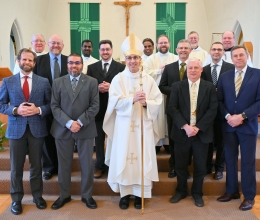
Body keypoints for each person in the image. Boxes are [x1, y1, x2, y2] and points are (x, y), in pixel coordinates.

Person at [103, 34, 162, 210]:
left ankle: (140, 194)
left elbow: (157, 102)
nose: (133, 61)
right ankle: (125, 194)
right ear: (125, 59)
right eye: (129, 58)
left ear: (140, 59)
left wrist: (146, 103)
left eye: (136, 57)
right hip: (123, 127)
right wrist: (131, 99)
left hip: (144, 125)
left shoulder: (148, 80)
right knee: (123, 158)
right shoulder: (118, 79)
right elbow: (113, 103)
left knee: (142, 159)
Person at [0, 48, 51, 215]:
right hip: (16, 130)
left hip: (37, 129)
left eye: (30, 60)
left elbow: (51, 105)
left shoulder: (43, 82)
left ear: (34, 63)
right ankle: (16, 200)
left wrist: (38, 110)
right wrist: (15, 110)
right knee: (16, 168)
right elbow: (1, 105)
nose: (27, 62)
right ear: (18, 61)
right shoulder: (8, 81)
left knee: (37, 166)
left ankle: (37, 196)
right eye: (24, 60)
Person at [50, 53, 99, 210]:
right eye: (71, 63)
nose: (74, 66)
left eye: (77, 63)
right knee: (64, 164)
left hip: (85, 128)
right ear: (67, 65)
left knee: (87, 165)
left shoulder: (91, 82)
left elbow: (94, 106)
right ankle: (64, 195)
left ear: (82, 65)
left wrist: (79, 122)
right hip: (62, 128)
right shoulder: (57, 82)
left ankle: (87, 195)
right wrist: (69, 123)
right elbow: (54, 106)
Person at [168, 58, 217, 207]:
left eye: (196, 67)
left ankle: (197, 193)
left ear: (201, 70)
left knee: (201, 166)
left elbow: (213, 109)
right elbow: (172, 108)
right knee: (181, 165)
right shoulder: (177, 86)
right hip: (182, 133)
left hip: (202, 134)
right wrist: (185, 126)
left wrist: (198, 127)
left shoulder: (209, 87)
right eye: (190, 68)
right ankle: (181, 191)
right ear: (186, 70)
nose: (193, 70)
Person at [217, 46, 260, 211]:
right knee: (230, 159)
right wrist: (228, 117)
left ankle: (249, 196)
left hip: (247, 125)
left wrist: (241, 116)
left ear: (247, 56)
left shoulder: (257, 74)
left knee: (248, 162)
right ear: (231, 58)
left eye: (241, 55)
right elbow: (219, 101)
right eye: (235, 56)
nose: (238, 58)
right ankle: (231, 191)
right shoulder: (225, 76)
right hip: (228, 126)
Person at [87, 40, 125, 179]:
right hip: (98, 109)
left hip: (116, 109)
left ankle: (113, 166)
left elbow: (124, 86)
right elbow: (88, 87)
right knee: (99, 140)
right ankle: (99, 166)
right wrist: (97, 88)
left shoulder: (121, 67)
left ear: (112, 50)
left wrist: (112, 88)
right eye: (102, 49)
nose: (105, 52)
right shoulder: (92, 67)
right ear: (99, 51)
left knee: (115, 139)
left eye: (107, 49)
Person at [33, 34, 68, 180]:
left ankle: (63, 167)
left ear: (63, 45)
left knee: (63, 137)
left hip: (65, 105)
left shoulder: (68, 61)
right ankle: (48, 167)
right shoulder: (39, 60)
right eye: (53, 43)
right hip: (45, 105)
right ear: (48, 44)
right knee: (46, 137)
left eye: (58, 43)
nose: (55, 46)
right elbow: (34, 81)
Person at [159, 39, 192, 178]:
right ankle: (173, 167)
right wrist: (176, 91)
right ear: (176, 50)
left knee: (188, 140)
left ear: (190, 50)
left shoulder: (194, 66)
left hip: (191, 110)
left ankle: (186, 168)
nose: (183, 50)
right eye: (181, 48)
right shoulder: (170, 67)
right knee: (174, 139)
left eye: (186, 48)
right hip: (172, 109)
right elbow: (162, 86)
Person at [201, 42, 234, 180]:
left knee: (221, 141)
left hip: (224, 109)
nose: (216, 52)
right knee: (207, 140)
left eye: (219, 50)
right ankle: (207, 165)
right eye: (214, 49)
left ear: (223, 52)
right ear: (210, 51)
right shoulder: (204, 69)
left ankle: (219, 168)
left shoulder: (231, 68)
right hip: (207, 111)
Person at [143, 34, 178, 154]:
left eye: (165, 42)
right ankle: (157, 143)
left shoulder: (175, 58)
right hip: (155, 94)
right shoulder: (150, 59)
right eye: (161, 43)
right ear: (157, 45)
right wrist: (160, 71)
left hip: (171, 94)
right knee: (157, 118)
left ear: (169, 44)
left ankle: (169, 143)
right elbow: (145, 73)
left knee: (169, 119)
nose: (163, 45)